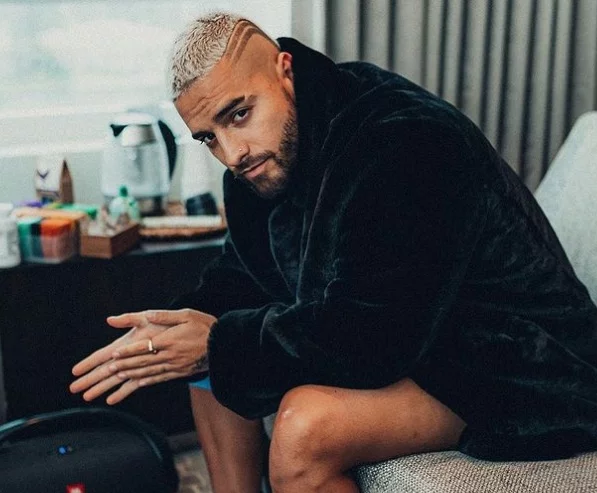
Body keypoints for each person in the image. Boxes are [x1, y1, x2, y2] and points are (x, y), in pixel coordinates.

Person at [70, 12, 597, 493]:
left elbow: (376, 336)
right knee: (207, 355)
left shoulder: (403, 139)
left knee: (303, 424)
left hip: (517, 361)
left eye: (240, 114)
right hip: (421, 337)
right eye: (208, 137)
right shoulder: (259, 162)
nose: (232, 153)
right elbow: (243, 274)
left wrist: (219, 345)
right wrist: (175, 329)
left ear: (284, 70)